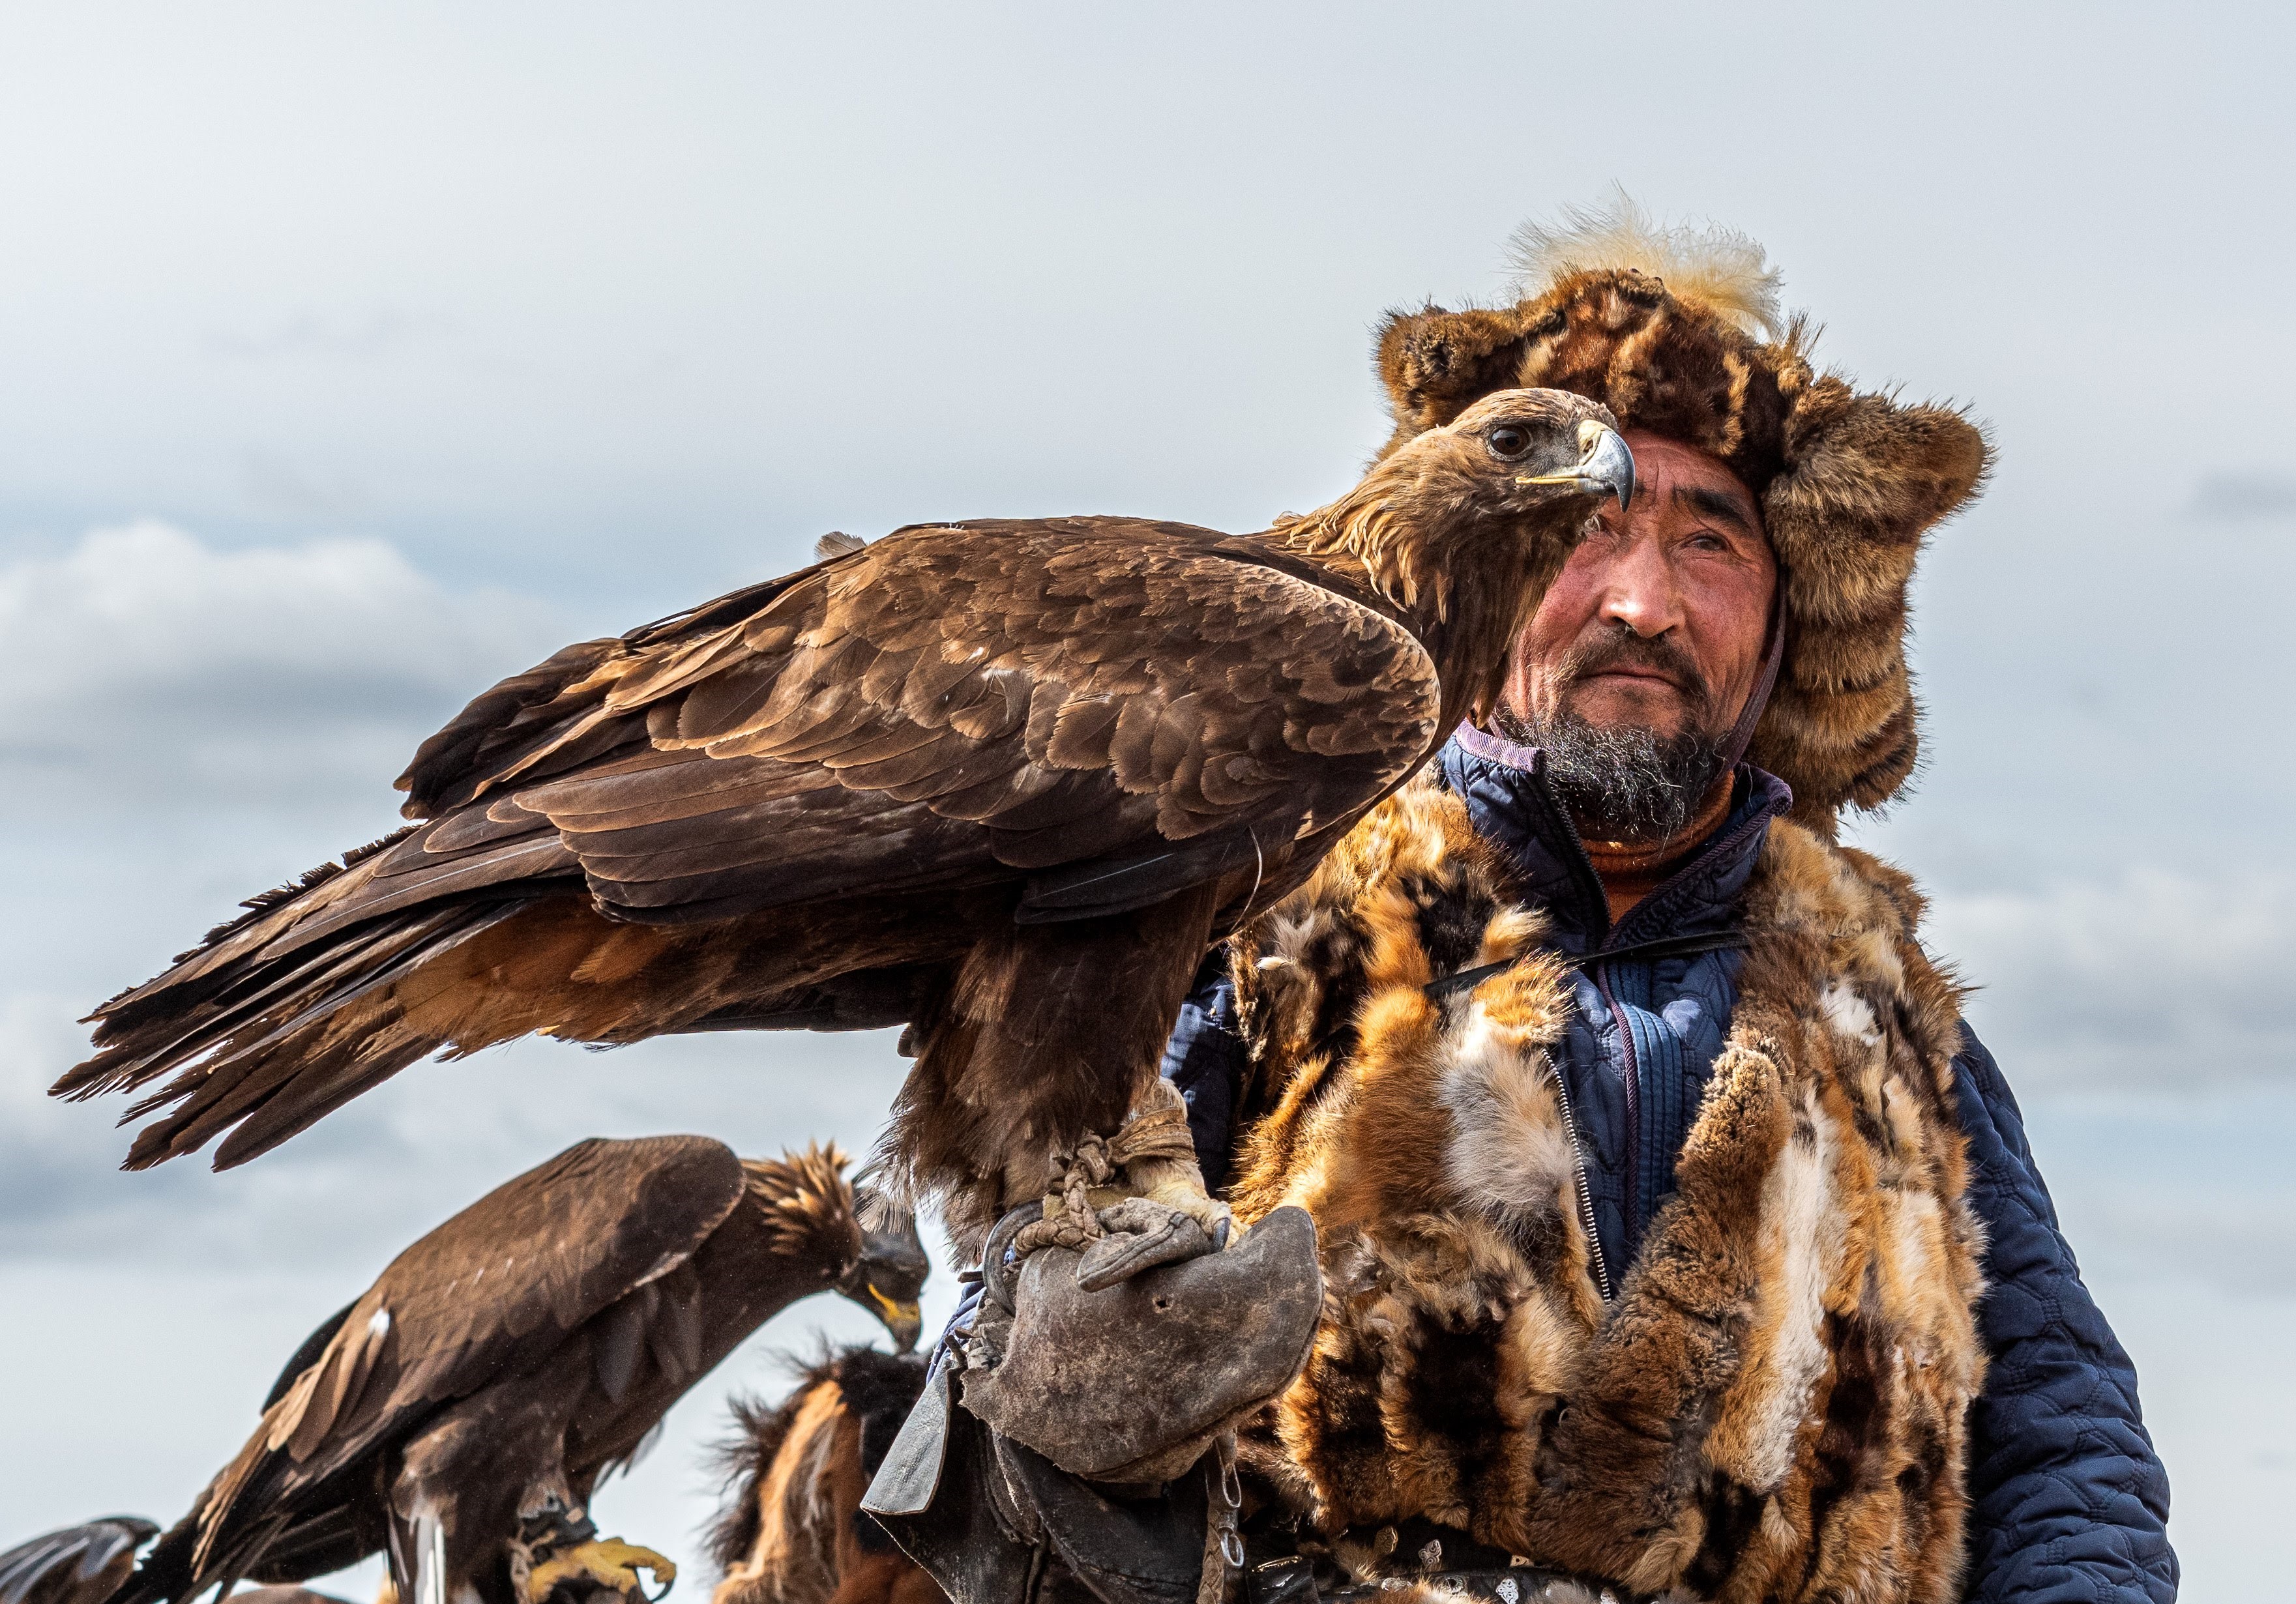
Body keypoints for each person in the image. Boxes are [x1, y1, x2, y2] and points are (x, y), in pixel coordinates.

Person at [876, 203, 2174, 1604]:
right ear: (1481, 571)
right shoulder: (1264, 928)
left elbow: (2062, 1438)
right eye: (1588, 528)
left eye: (1713, 545)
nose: (1643, 602)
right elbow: (1031, 1332)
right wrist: (1066, 1388)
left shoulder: (1893, 1023)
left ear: (1788, 625)